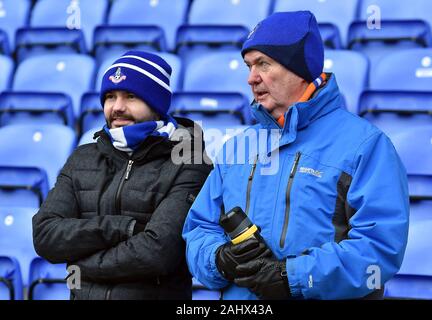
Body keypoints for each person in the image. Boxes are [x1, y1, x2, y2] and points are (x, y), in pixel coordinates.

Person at [182, 11, 409, 300]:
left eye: (263, 63)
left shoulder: (366, 145)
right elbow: (199, 228)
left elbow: (379, 249)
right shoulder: (237, 147)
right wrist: (219, 259)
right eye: (249, 66)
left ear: (299, 68)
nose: (252, 78)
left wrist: (292, 277)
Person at [33, 51, 212, 300]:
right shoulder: (82, 158)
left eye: (131, 96)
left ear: (157, 104)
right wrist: (122, 228)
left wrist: (80, 265)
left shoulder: (190, 161)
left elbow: (157, 254)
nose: (117, 107)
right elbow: (45, 235)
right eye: (110, 96)